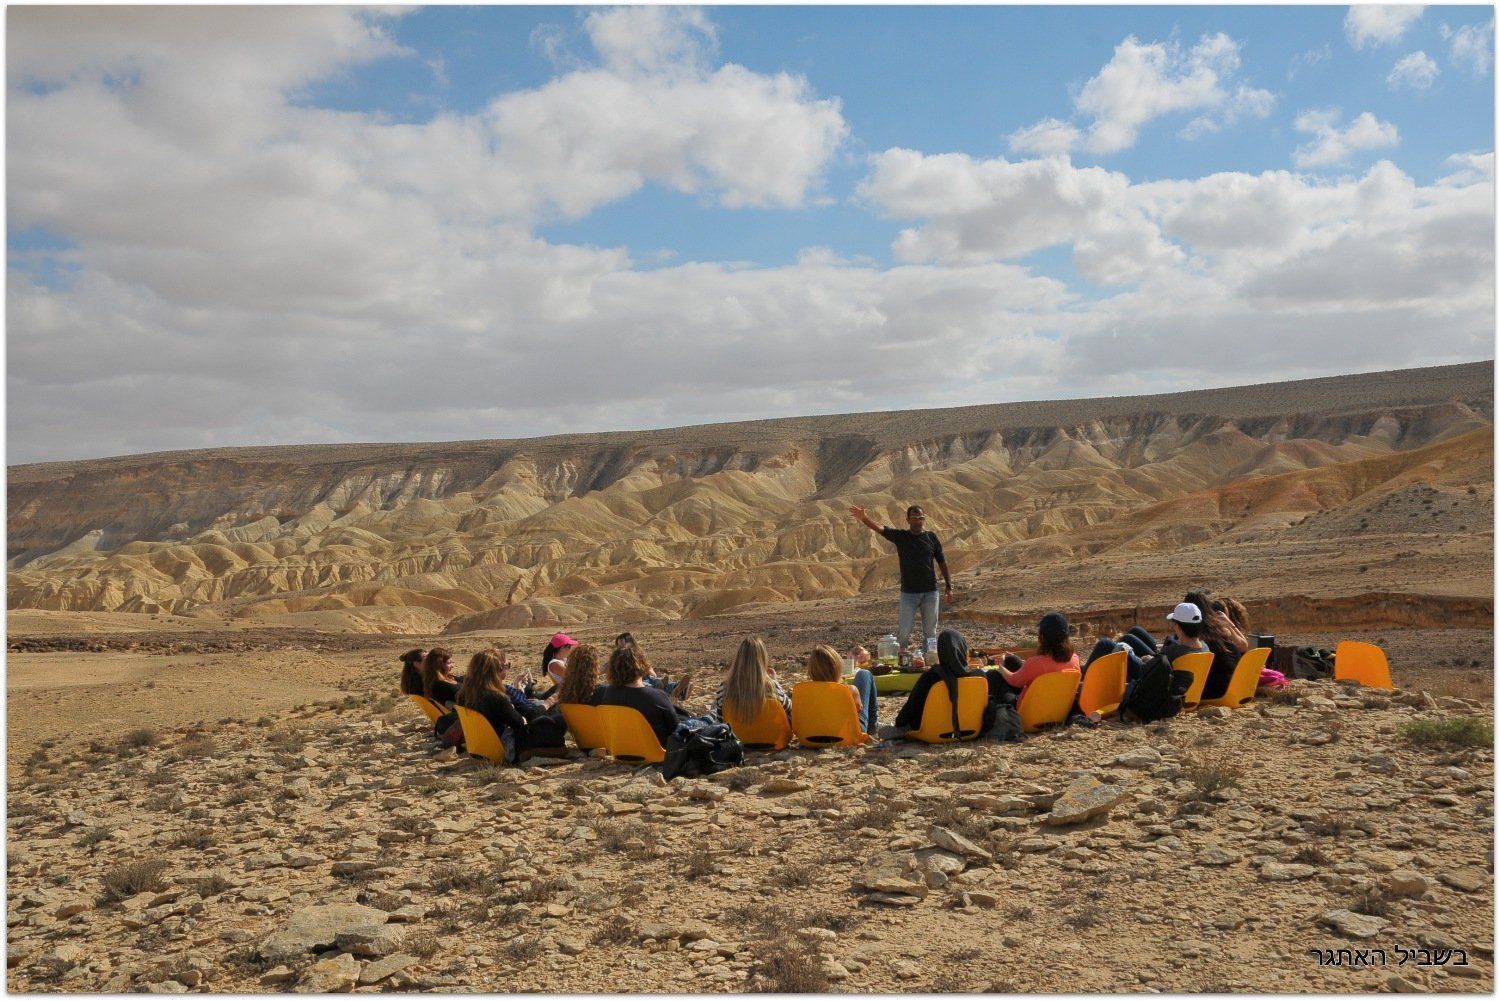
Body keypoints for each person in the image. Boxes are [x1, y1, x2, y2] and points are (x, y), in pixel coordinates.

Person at [848, 503, 952, 650]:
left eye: (921, 518)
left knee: (930, 632)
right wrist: (865, 518)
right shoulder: (901, 537)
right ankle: (899, 660)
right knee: (903, 632)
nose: (918, 521)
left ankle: (929, 660)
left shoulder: (931, 538)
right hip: (908, 594)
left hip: (930, 593)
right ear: (908, 520)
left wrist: (949, 586)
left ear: (924, 519)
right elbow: (879, 529)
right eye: (914, 518)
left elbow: (942, 561)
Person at [886, 628, 984, 738]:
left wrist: (899, 723)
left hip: (931, 732)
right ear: (962, 648)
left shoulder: (931, 677)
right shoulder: (980, 675)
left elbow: (911, 708)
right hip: (971, 731)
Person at [599, 644, 690, 746]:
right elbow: (677, 729)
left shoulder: (609, 694)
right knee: (698, 722)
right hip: (656, 751)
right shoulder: (657, 696)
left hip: (621, 749)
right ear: (642, 666)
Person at [456, 649, 536, 758]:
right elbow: (518, 723)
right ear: (498, 670)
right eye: (507, 665)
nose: (508, 669)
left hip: (479, 750)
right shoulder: (495, 697)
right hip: (501, 751)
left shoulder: (464, 694)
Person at [997, 612, 1080, 704]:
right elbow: (1050, 666)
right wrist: (1021, 661)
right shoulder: (1075, 659)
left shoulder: (1035, 663)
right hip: (1058, 708)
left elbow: (1013, 680)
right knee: (1013, 660)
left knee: (993, 676)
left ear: (1043, 637)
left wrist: (1001, 666)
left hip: (1027, 710)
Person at [1187, 591, 1251, 700]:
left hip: (1215, 691)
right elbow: (1244, 646)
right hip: (1235, 689)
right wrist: (1230, 624)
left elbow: (1243, 646)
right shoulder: (1222, 630)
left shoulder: (1197, 632)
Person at [712, 638, 792, 725]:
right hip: (773, 738)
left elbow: (720, 720)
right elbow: (790, 709)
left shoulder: (724, 688)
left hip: (737, 738)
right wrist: (775, 682)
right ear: (763, 659)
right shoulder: (772, 687)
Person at [806, 645, 879, 734]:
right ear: (838, 668)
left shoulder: (802, 692)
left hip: (811, 736)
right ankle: (873, 726)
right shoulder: (849, 690)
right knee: (864, 674)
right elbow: (859, 710)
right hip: (848, 734)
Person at [616, 632, 695, 702]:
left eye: (623, 645)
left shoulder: (638, 656)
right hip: (636, 682)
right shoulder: (616, 660)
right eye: (619, 646)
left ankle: (679, 690)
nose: (620, 648)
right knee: (648, 685)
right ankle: (666, 692)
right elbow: (605, 669)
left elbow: (649, 668)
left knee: (657, 681)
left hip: (646, 678)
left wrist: (653, 675)